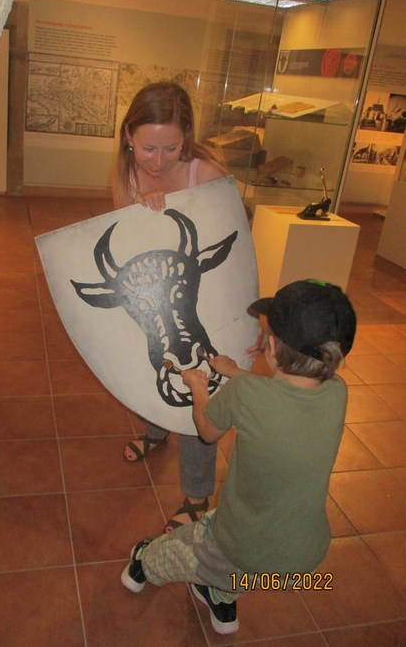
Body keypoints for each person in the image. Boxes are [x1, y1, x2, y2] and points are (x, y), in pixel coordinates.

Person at [121, 279, 356, 635]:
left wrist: (199, 388)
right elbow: (277, 396)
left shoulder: (245, 393)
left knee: (186, 551)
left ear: (271, 346)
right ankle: (218, 592)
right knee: (244, 569)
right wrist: (233, 371)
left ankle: (143, 565)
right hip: (303, 556)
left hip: (238, 543)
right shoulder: (338, 392)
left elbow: (206, 430)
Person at [111, 81, 229, 532]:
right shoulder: (127, 174)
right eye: (148, 148)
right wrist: (139, 213)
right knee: (153, 361)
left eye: (170, 148)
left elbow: (230, 247)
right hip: (155, 298)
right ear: (128, 136)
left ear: (187, 139)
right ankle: (155, 431)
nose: (158, 162)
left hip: (200, 303)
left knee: (198, 386)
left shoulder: (206, 174)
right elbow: (130, 247)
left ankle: (198, 495)